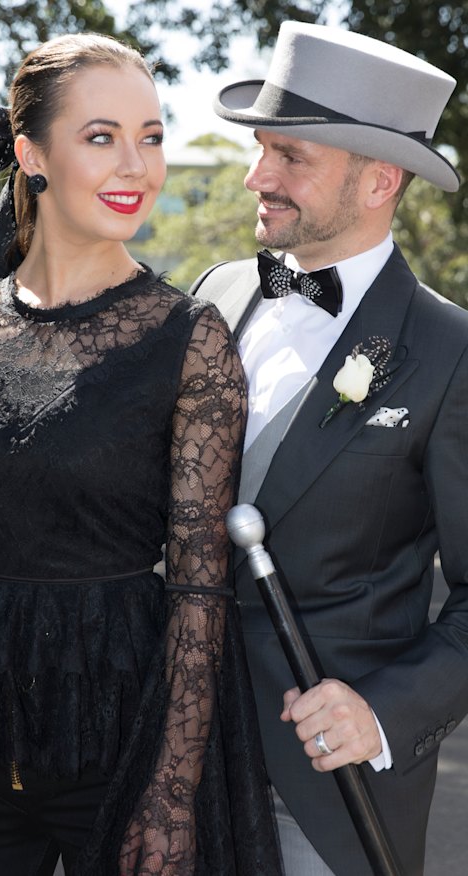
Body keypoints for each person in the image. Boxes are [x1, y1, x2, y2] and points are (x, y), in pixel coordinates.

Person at [0, 33, 282, 876]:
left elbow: (201, 583)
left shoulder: (190, 340)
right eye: (101, 137)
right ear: (31, 155)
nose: (135, 164)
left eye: (151, 135)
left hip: (120, 742)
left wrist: (173, 793)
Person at [190, 20, 468, 876]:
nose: (255, 177)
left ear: (381, 179)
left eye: (292, 157)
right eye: (261, 149)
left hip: (321, 793)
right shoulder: (215, 292)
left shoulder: (450, 351)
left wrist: (379, 715)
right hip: (171, 768)